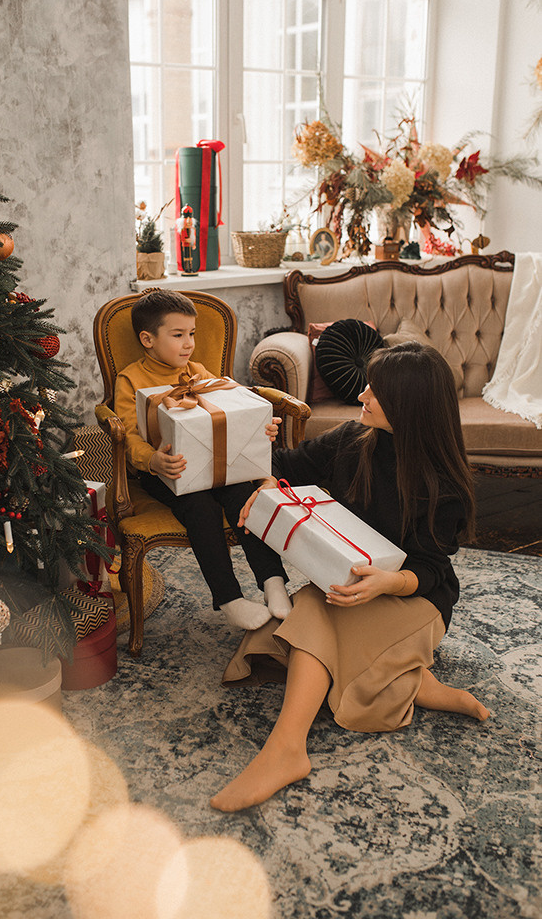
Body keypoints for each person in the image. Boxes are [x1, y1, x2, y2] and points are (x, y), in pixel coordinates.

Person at [210, 342, 490, 813]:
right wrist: (260, 447)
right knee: (317, 608)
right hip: (351, 589)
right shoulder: (350, 439)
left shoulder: (443, 482)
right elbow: (286, 468)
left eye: (375, 391)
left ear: (407, 406)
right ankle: (413, 681)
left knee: (309, 616)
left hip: (415, 600)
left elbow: (430, 570)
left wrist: (384, 584)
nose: (362, 395)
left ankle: (286, 750)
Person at [114, 289, 291, 631]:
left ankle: (273, 581)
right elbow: (130, 434)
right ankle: (230, 599)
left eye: (191, 334)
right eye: (178, 335)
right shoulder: (131, 379)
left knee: (245, 497)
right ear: (147, 339)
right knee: (201, 507)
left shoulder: (197, 371)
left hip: (214, 463)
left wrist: (259, 429)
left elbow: (233, 409)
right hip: (166, 471)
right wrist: (153, 460)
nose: (189, 343)